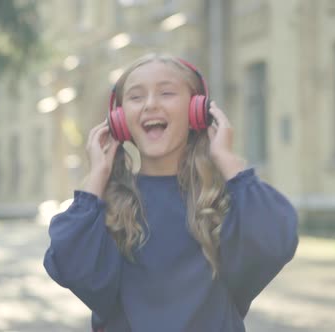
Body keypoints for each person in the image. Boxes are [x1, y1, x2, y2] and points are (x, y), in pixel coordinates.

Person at [43, 53, 298, 331]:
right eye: (136, 97)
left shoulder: (224, 201)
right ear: (119, 120)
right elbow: (67, 262)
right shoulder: (107, 209)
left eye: (166, 93)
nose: (151, 104)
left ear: (197, 112)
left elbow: (277, 241)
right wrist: (97, 176)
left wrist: (227, 160)